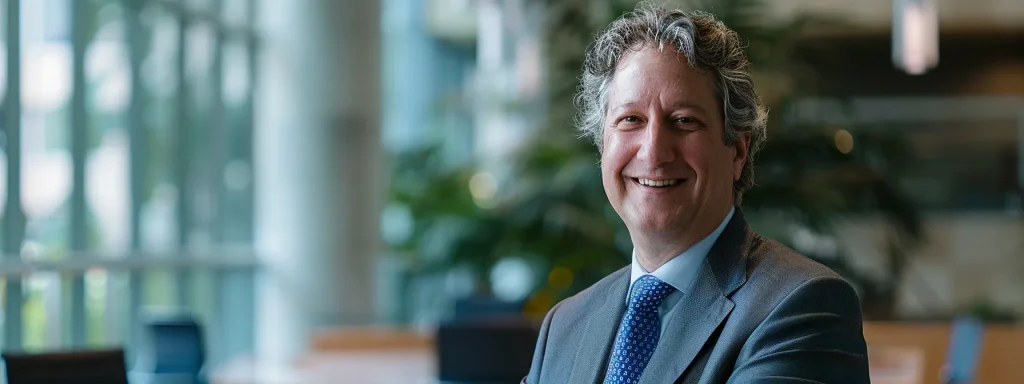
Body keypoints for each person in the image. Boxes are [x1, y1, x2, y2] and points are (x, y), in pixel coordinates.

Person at [523, 3, 869, 383]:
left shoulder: (804, 307)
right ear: (602, 146)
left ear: (737, 151)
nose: (653, 151)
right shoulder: (564, 326)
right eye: (631, 120)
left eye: (684, 121)